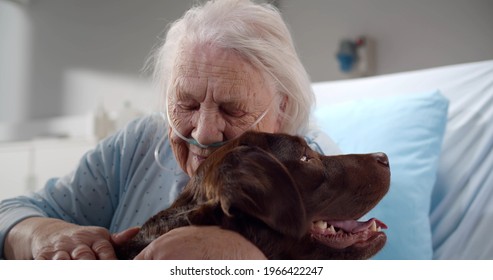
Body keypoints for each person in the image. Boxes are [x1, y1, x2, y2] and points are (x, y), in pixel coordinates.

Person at [0, 0, 340, 260]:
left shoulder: (310, 166)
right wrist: (40, 235)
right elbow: (11, 212)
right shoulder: (138, 144)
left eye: (231, 109)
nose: (204, 133)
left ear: (282, 109)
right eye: (187, 105)